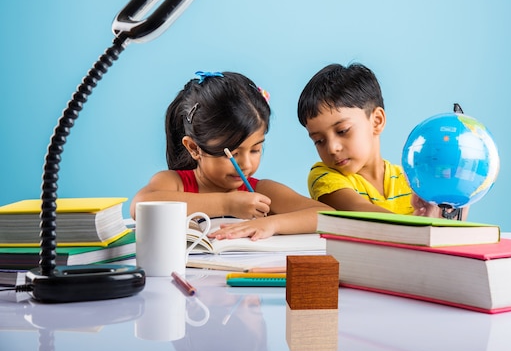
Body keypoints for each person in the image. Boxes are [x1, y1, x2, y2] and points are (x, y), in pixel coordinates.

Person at [131, 71, 330, 240]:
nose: (245, 164)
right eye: (232, 154)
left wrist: (272, 224)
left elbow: (328, 216)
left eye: (255, 150)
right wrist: (226, 204)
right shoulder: (174, 183)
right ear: (193, 148)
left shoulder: (261, 191)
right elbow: (139, 207)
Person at [297, 63, 465, 219]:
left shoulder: (413, 179)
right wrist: (420, 225)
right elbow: (358, 209)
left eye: (342, 131)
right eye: (319, 141)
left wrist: (454, 206)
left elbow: (451, 228)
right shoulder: (324, 176)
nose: (332, 148)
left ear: (376, 121)